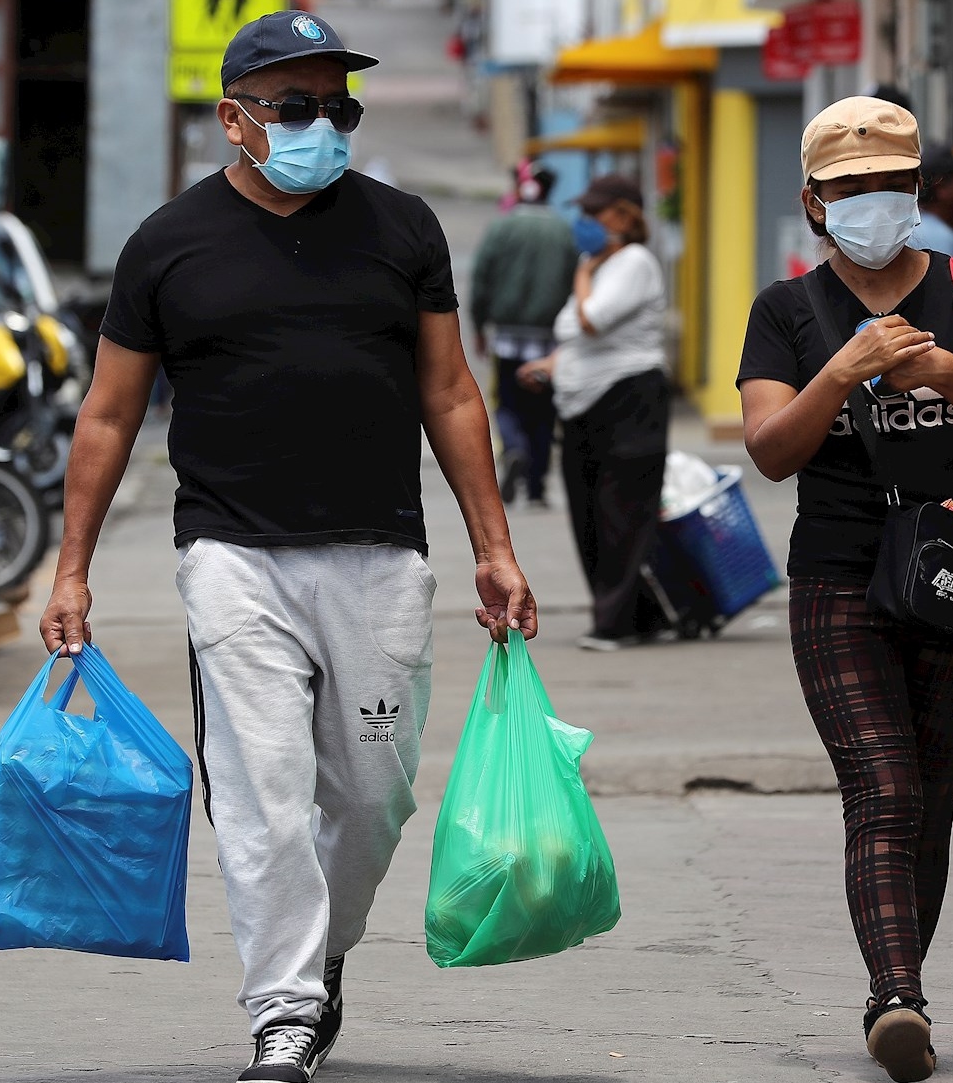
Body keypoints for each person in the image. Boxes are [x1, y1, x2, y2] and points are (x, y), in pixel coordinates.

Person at [37, 13, 537, 1083]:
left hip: (380, 559)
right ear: (235, 119)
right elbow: (111, 416)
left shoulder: (404, 231)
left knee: (370, 795)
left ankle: (323, 953)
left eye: (338, 106)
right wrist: (71, 566)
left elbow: (449, 391)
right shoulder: (168, 244)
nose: (324, 125)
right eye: (298, 106)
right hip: (233, 558)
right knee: (261, 788)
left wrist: (493, 545)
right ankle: (283, 1012)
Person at [736, 96, 953, 1083]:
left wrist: (942, 367)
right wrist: (845, 370)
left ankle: (899, 977)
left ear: (916, 192)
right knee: (884, 786)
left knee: (933, 796)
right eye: (850, 189)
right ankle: (897, 999)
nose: (873, 202)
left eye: (891, 185)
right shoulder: (786, 311)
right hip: (837, 577)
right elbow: (772, 449)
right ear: (814, 205)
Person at [515, 174, 671, 652]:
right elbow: (576, 336)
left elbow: (591, 319)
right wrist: (551, 365)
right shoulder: (597, 262)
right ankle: (643, 615)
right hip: (585, 404)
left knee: (620, 512)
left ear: (625, 215)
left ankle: (615, 622)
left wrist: (583, 278)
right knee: (588, 512)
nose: (584, 223)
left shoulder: (634, 262)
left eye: (595, 213)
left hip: (628, 401)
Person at [469, 160, 576, 508]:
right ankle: (536, 488)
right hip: (549, 341)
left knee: (508, 404)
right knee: (543, 412)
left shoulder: (501, 228)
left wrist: (479, 325)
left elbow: (481, 278)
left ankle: (513, 447)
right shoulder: (564, 232)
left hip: (507, 338)